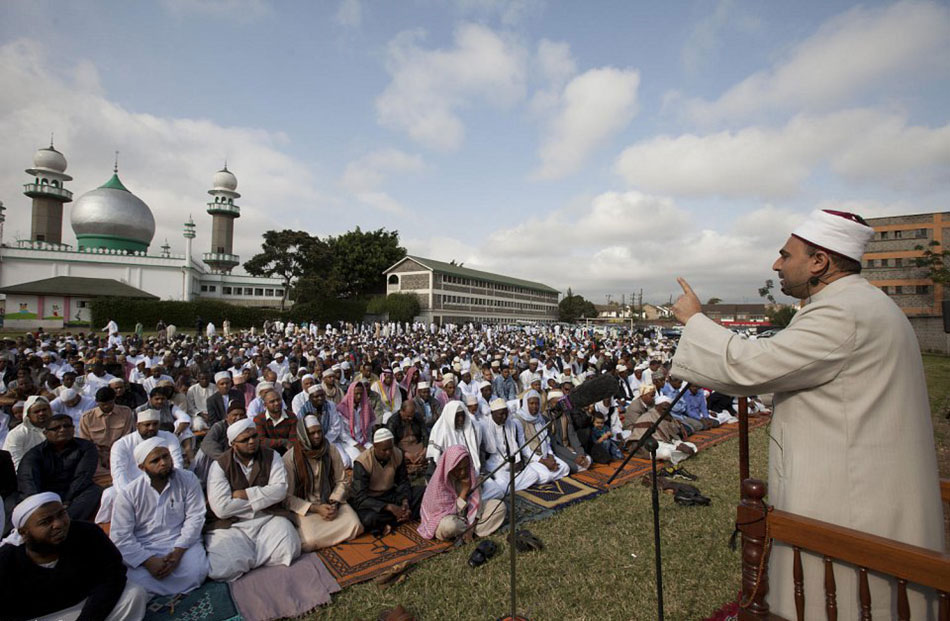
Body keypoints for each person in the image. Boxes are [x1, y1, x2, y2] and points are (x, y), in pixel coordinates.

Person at [670, 208, 944, 619]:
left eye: (786, 255)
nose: (776, 264)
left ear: (819, 261)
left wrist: (695, 321)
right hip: (862, 485)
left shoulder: (842, 312)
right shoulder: (864, 303)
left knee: (841, 602)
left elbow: (751, 366)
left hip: (850, 504)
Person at [0, 493, 148, 621]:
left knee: (133, 594)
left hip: (85, 608)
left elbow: (113, 576)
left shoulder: (88, 533)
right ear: (24, 532)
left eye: (61, 514)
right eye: (46, 522)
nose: (58, 524)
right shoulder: (6, 559)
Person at [204, 418, 301, 581]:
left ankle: (249, 557)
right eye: (245, 440)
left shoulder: (272, 456)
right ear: (233, 444)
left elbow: (280, 491)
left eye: (254, 436)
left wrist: (245, 494)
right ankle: (252, 554)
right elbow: (222, 509)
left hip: (267, 517)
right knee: (226, 566)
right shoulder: (219, 466)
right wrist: (264, 496)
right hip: (232, 524)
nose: (251, 442)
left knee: (289, 548)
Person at [110, 438, 208, 595]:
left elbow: (195, 517)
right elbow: (121, 536)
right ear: (142, 467)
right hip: (145, 546)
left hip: (180, 541)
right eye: (155, 460)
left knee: (197, 571)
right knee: (133, 581)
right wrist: (148, 561)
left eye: (166, 456)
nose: (164, 463)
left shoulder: (188, 479)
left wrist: (178, 552)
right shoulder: (129, 494)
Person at [282, 416, 362, 551]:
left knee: (355, 525)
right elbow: (287, 497)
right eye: (312, 433)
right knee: (310, 541)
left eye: (319, 431)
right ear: (303, 435)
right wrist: (316, 508)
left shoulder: (331, 450)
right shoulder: (290, 458)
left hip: (331, 502)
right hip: (306, 508)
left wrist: (334, 503)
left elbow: (341, 480)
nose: (317, 436)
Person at [17, 414, 101, 521]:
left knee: (94, 491)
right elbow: (29, 482)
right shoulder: (34, 454)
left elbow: (83, 477)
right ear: (45, 433)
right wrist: (45, 504)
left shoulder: (86, 447)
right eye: (56, 428)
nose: (62, 430)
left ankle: (67, 522)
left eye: (67, 426)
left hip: (74, 493)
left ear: (73, 428)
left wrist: (67, 500)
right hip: (45, 494)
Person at [417, 445, 505, 542]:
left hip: (467, 517)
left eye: (465, 467)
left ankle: (470, 532)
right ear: (450, 467)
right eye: (458, 469)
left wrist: (472, 524)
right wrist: (464, 490)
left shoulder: (470, 474)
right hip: (445, 518)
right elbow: (449, 513)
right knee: (450, 526)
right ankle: (467, 532)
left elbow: (477, 503)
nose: (463, 472)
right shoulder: (438, 484)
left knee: (498, 506)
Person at [349, 428, 425, 536]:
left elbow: (403, 482)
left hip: (391, 494)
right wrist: (388, 507)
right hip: (372, 500)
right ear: (375, 446)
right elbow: (360, 498)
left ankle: (394, 519)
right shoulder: (363, 462)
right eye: (384, 450)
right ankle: (400, 517)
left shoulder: (397, 454)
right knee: (368, 518)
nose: (388, 453)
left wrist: (405, 501)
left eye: (390, 448)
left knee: (423, 492)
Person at [78, 386, 135, 487]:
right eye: (103, 404)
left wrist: (114, 454)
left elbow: (127, 436)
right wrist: (101, 455)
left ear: (114, 400)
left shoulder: (126, 412)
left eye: (109, 403)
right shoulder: (87, 417)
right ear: (97, 402)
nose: (106, 406)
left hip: (121, 452)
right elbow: (86, 442)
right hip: (97, 455)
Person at [4, 395, 51, 471]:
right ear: (28, 415)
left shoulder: (60, 429)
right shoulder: (17, 434)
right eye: (36, 411)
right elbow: (15, 464)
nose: (41, 413)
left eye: (44, 410)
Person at [386, 400, 428, 476]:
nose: (410, 418)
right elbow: (391, 443)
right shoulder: (392, 421)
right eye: (408, 416)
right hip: (402, 448)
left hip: (417, 446)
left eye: (412, 416)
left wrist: (425, 449)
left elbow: (425, 434)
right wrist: (406, 454)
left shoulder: (417, 417)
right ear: (401, 411)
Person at [253, 388, 297, 454]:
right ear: (265, 405)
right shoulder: (259, 419)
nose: (276, 403)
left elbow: (293, 438)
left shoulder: (291, 416)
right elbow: (261, 441)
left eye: (278, 400)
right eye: (272, 401)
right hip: (267, 454)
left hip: (289, 453)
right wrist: (283, 442)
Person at [337, 381, 376, 449]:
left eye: (361, 394)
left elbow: (369, 429)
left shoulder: (366, 407)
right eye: (356, 394)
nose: (359, 396)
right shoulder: (342, 408)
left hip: (363, 441)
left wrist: (368, 442)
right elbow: (342, 434)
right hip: (348, 443)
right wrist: (356, 445)